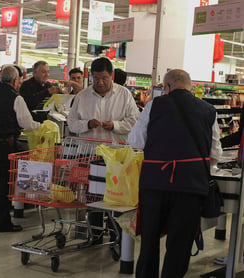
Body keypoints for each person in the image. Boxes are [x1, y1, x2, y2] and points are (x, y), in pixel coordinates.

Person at [128, 69, 223, 278]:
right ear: (190, 86)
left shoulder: (154, 106)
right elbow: (215, 152)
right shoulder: (209, 110)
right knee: (180, 244)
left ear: (167, 87)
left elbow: (135, 141)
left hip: (154, 184)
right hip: (190, 186)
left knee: (150, 241)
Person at [0, 65, 40, 232]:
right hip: (7, 144)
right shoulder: (16, 97)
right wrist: (40, 126)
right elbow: (25, 123)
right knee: (5, 182)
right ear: (15, 81)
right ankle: (4, 222)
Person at [67, 57, 139, 142]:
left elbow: (135, 122)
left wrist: (114, 126)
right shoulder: (82, 96)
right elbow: (71, 123)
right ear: (92, 76)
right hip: (88, 152)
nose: (100, 83)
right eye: (96, 78)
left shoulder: (124, 95)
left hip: (116, 152)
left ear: (111, 75)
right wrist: (88, 124)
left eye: (104, 78)